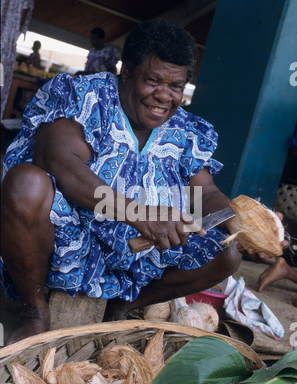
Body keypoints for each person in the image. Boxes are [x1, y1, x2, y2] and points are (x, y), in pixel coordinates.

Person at [1, 20, 247, 345]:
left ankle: (120, 308)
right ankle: (34, 311)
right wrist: (139, 214)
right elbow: (58, 161)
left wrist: (244, 225)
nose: (164, 96)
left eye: (176, 86)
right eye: (153, 80)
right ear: (127, 71)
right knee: (25, 185)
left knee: (227, 254)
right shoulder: (85, 96)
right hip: (67, 237)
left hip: (135, 254)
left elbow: (208, 193)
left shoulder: (186, 131)